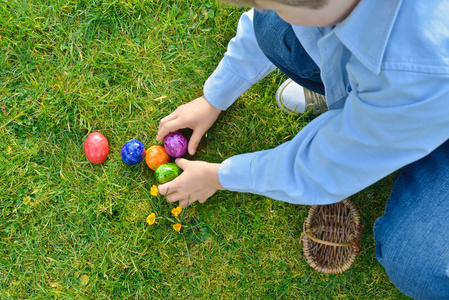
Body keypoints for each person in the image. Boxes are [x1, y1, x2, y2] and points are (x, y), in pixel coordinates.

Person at [156, 0, 449, 298]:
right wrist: (214, 97)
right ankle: (367, 111)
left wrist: (218, 176)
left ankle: (384, 128)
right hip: (408, 94)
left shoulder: (417, 69)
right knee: (273, 29)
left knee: (415, 261)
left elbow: (322, 168)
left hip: (426, 87)